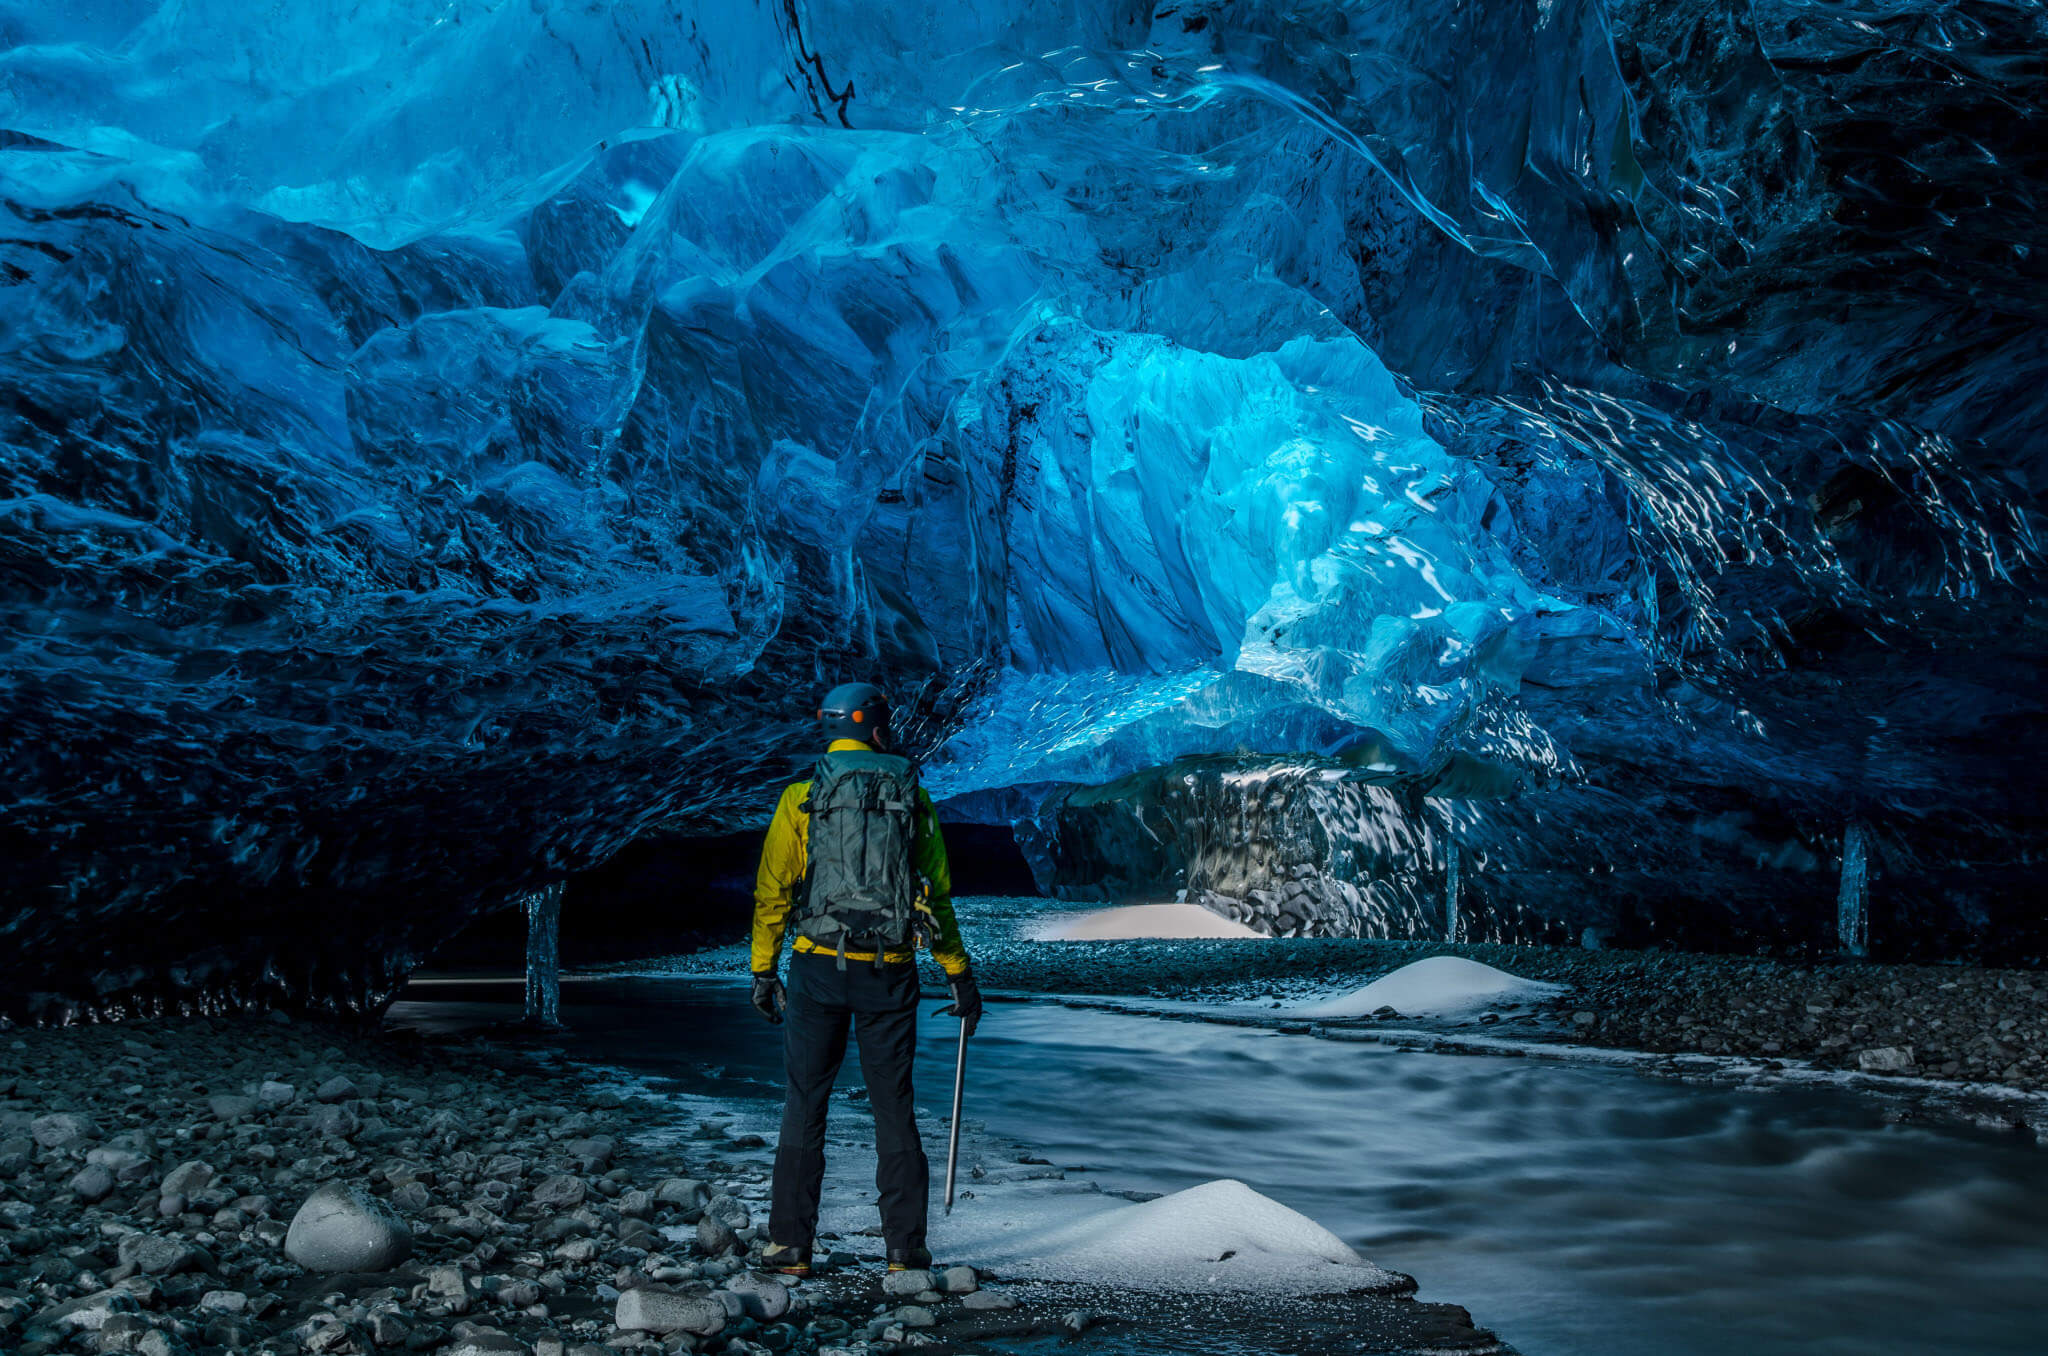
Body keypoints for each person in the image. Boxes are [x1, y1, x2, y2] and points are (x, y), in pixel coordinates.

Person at [748, 681, 983, 1278]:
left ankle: (791, 1248)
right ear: (875, 725)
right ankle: (905, 1251)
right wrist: (958, 975)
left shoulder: (802, 796)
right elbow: (938, 895)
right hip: (891, 971)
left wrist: (762, 970)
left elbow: (773, 892)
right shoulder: (912, 796)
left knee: (805, 1103)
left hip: (816, 968)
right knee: (893, 1108)